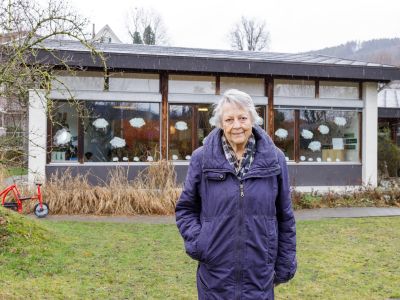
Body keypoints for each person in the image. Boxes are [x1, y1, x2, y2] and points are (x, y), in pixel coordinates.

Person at [175, 89, 297, 299]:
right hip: (215, 275)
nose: (237, 125)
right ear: (221, 124)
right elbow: (186, 209)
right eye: (229, 119)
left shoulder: (275, 159)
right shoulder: (202, 159)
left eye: (242, 118)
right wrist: (201, 242)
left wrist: (285, 262)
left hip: (259, 273)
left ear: (253, 119)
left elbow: (284, 216)